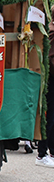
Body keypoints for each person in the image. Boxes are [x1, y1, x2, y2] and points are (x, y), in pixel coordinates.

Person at [35, 15, 54, 167]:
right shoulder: (52, 33)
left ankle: (50, 151)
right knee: (49, 117)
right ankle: (42, 154)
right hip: (51, 79)